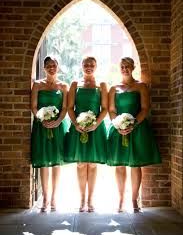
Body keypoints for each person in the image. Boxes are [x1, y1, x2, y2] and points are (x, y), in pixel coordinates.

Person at [108, 57, 161, 213]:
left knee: (135, 164)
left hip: (137, 128)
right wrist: (118, 124)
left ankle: (133, 199)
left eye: (128, 66)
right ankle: (120, 199)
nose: (125, 68)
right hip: (118, 129)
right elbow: (111, 111)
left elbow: (145, 108)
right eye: (122, 66)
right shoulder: (114, 88)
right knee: (119, 164)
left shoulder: (140, 86)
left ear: (133, 67)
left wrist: (132, 124)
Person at [65, 56, 108, 212]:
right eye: (85, 64)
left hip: (96, 129)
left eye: (92, 64)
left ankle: (91, 200)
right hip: (79, 129)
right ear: (81, 66)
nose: (88, 66)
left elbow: (105, 108)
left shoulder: (101, 85)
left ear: (96, 66)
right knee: (81, 164)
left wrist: (96, 124)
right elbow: (70, 108)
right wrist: (76, 124)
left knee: (93, 164)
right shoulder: (75, 85)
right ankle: (82, 199)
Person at [31, 56, 68, 212]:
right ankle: (45, 198)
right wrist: (41, 118)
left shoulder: (63, 86)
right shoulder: (37, 85)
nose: (51, 68)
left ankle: (54, 198)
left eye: (54, 65)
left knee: (56, 162)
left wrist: (58, 121)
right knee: (44, 161)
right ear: (44, 68)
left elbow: (65, 108)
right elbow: (33, 106)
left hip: (58, 126)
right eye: (48, 65)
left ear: (57, 67)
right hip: (42, 126)